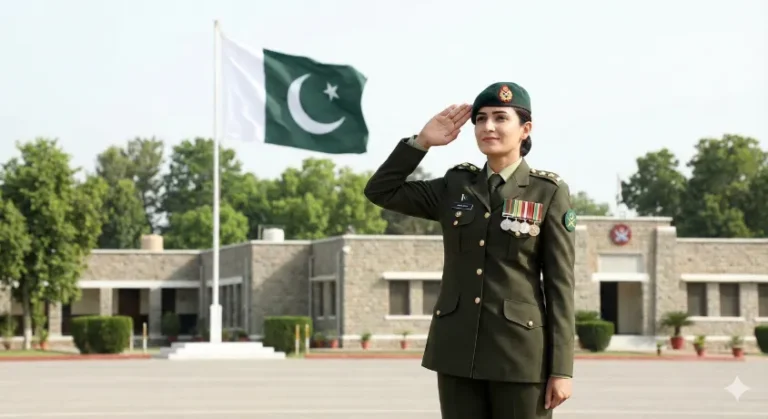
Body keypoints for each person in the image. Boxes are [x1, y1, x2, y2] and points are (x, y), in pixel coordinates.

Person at [363, 82, 576, 418]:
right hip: (458, 351)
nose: (488, 127)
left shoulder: (546, 191)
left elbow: (560, 286)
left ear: (525, 129)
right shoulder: (455, 185)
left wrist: (562, 369)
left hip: (519, 356)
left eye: (500, 118)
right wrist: (421, 143)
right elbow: (381, 191)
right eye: (480, 119)